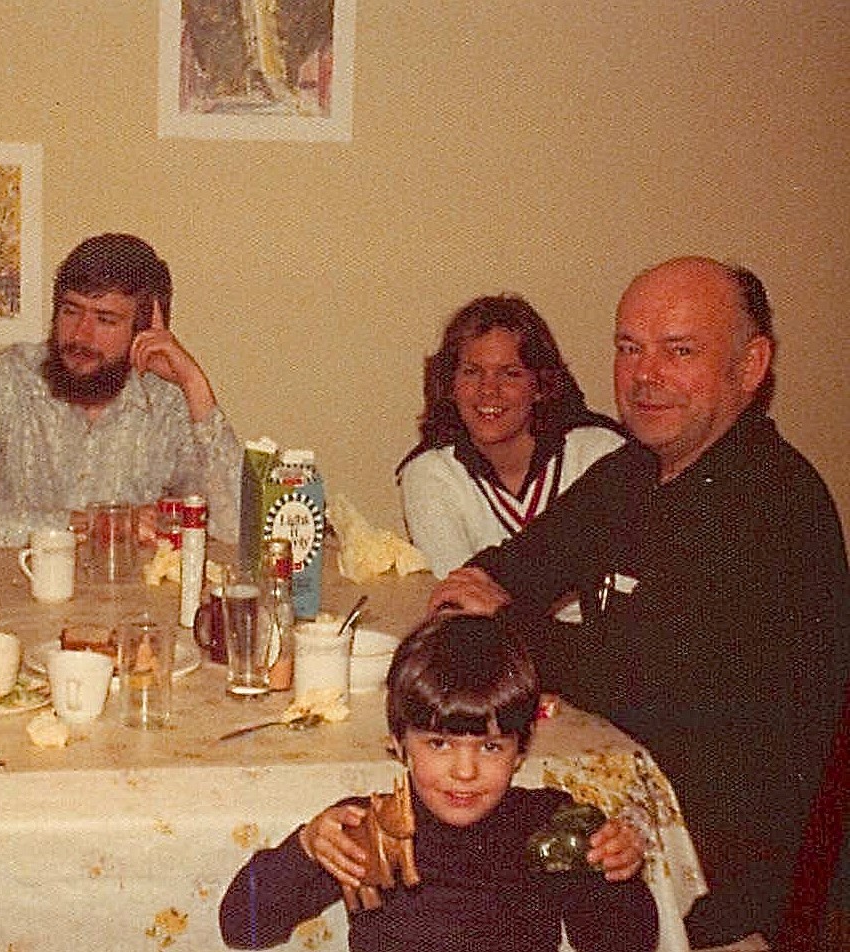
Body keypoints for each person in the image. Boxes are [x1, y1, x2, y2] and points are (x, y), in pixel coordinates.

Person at [427, 257, 850, 947]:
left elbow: (632, 675)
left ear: (751, 366)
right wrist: (491, 602)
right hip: (614, 811)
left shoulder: (770, 502)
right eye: (630, 348)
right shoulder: (635, 470)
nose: (645, 375)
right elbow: (509, 566)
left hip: (704, 879)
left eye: (679, 351)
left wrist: (502, 620)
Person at [219, 613, 657, 952]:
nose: (464, 772)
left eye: (490, 748)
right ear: (399, 744)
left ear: (521, 749)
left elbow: (622, 943)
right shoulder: (365, 828)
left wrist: (617, 874)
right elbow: (243, 926)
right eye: (439, 745)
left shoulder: (549, 825)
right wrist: (305, 850)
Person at [0, 232, 242, 548]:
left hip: (131, 597)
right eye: (71, 311)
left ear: (144, 330)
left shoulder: (168, 401)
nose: (80, 334)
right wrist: (96, 524)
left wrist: (195, 385)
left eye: (105, 320)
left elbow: (235, 529)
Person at [396, 294, 625, 581]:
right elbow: (461, 598)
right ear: (450, 385)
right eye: (471, 372)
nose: (488, 389)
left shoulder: (601, 454)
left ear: (540, 385)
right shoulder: (430, 474)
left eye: (510, 374)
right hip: (483, 627)